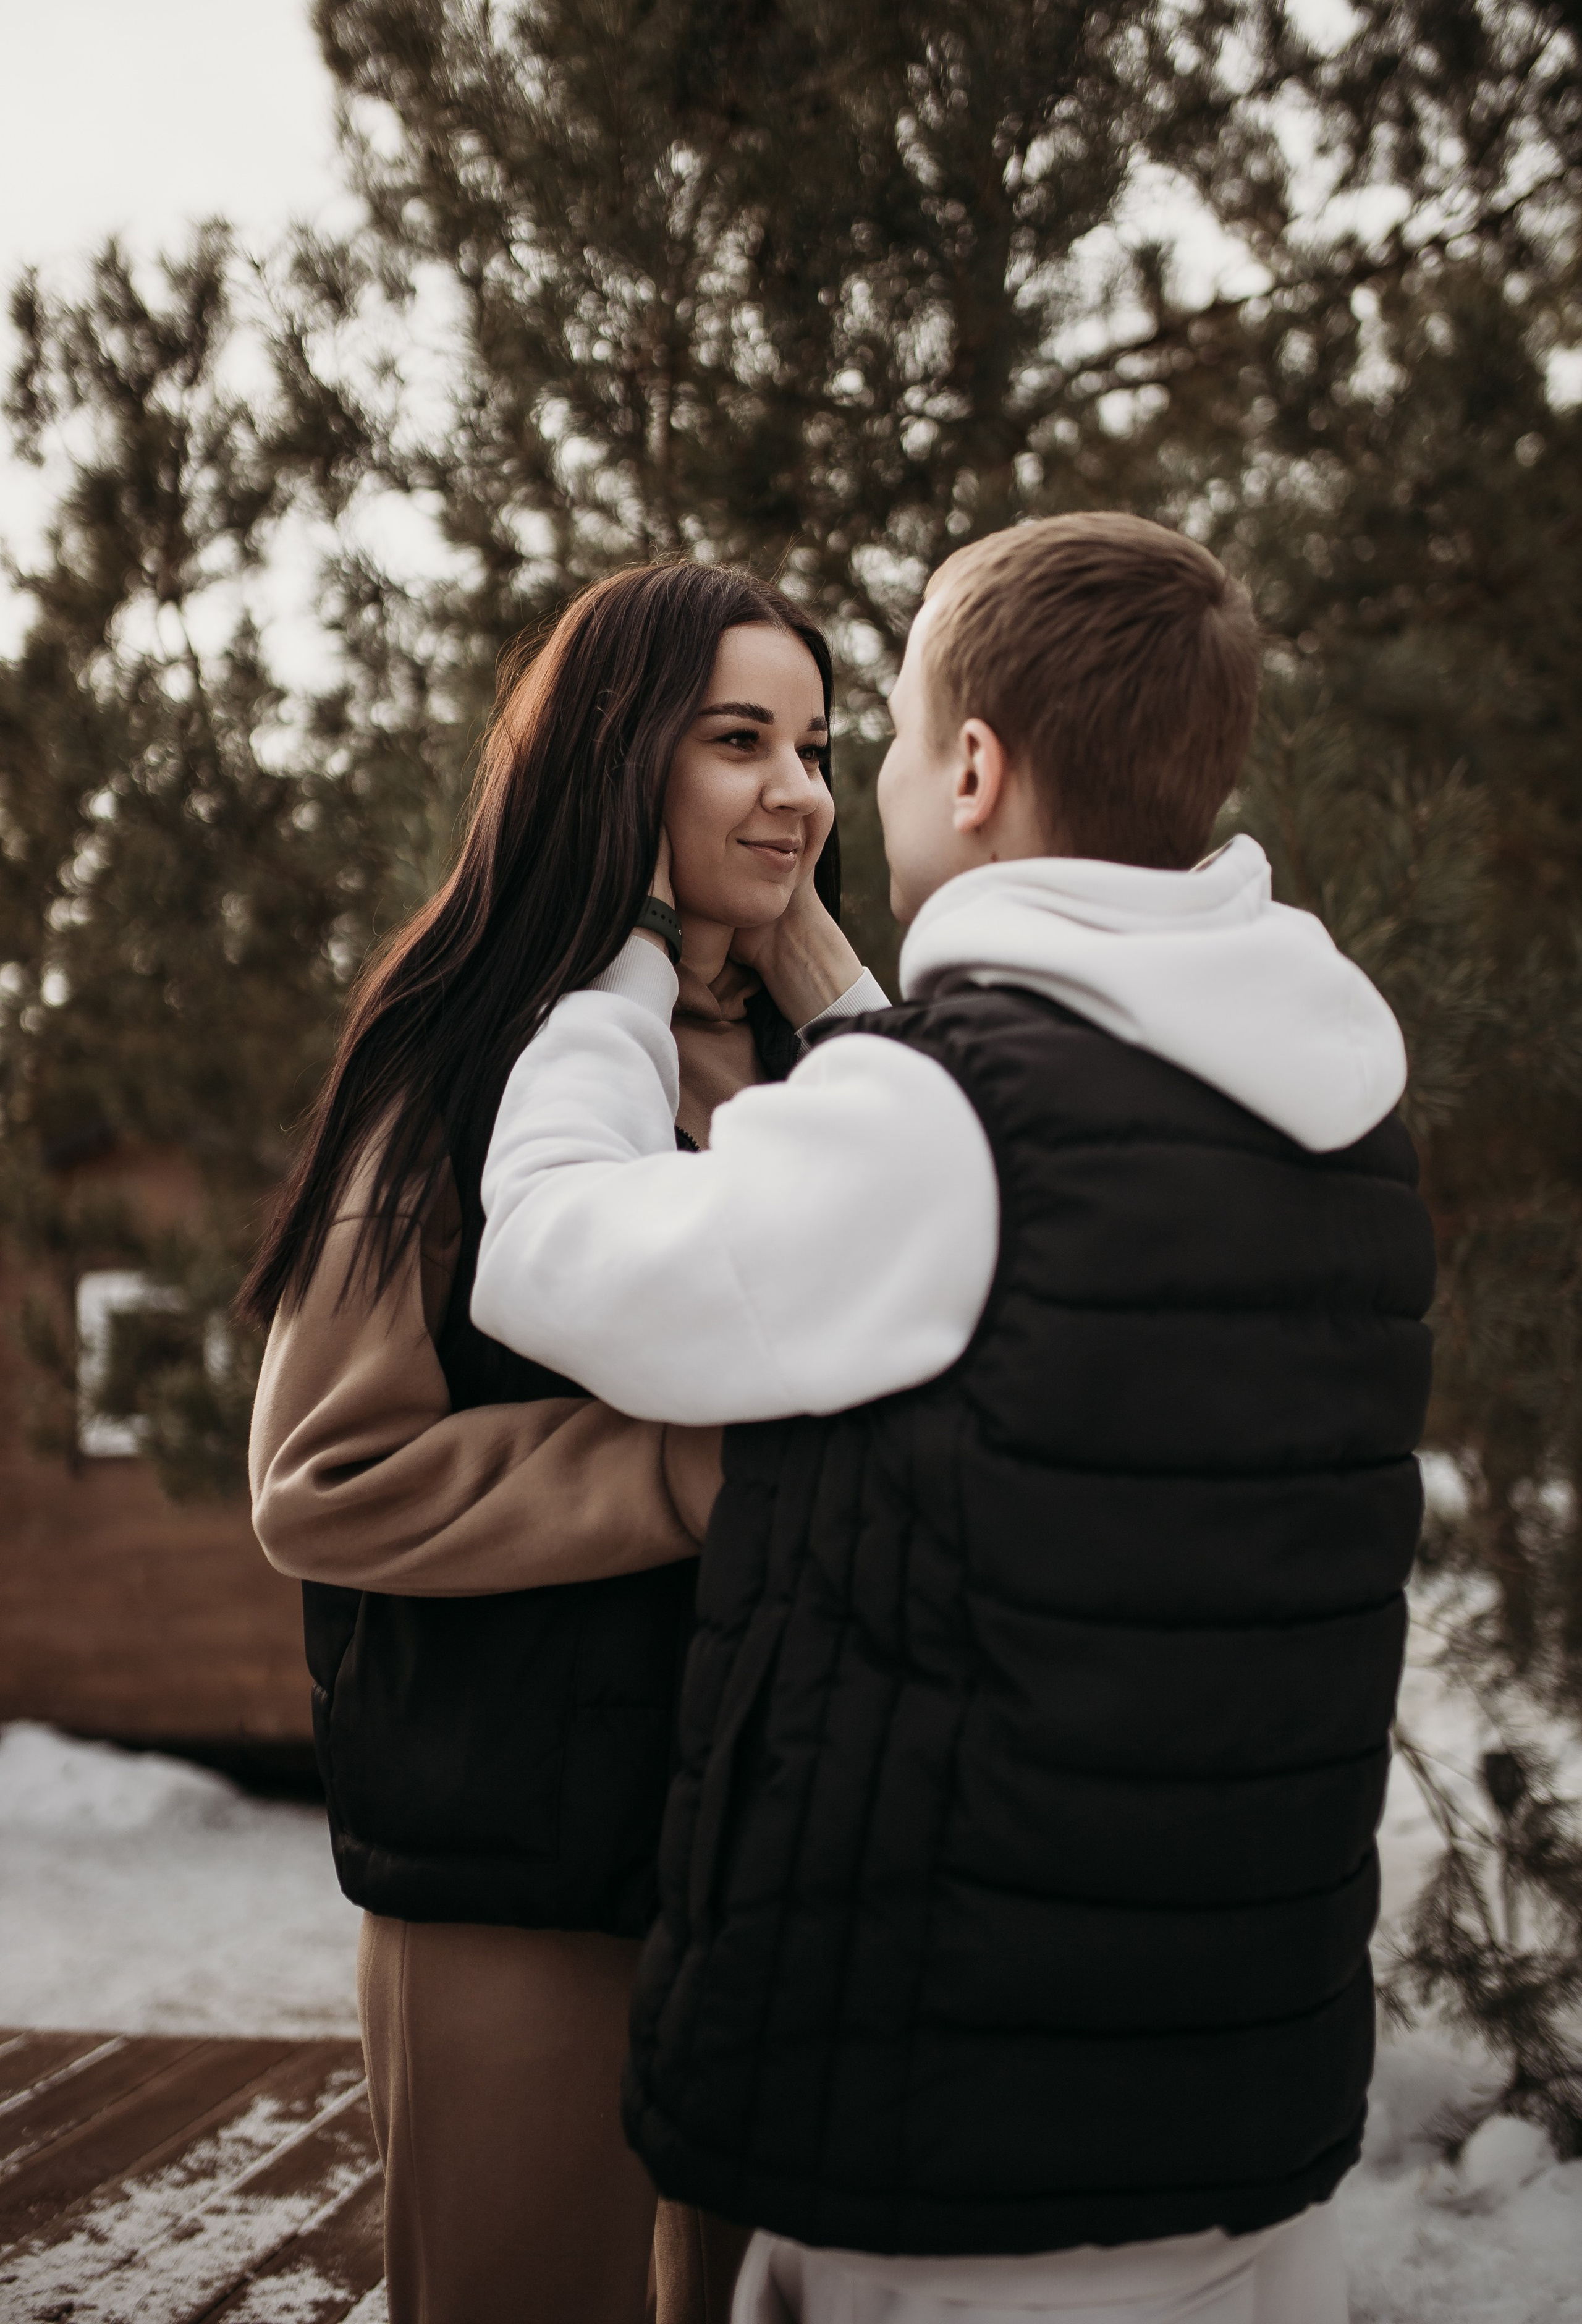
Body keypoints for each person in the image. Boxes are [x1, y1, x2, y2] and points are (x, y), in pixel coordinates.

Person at [469, 513, 1436, 2323]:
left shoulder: (950, 1125)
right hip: (1239, 2103)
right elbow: (1004, 1253)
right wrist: (852, 1005)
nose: (841, 792)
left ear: (975, 769)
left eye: (881, 737)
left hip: (970, 2143)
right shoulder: (1328, 1102)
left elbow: (552, 1254)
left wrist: (606, 991)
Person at [239, 560, 887, 2324]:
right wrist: (688, 1474)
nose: (799, 790)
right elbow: (324, 1477)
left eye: (818, 748)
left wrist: (819, 961)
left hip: (772, 1861)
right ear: (618, 758)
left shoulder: (823, 1073)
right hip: (512, 1870)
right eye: (737, 739)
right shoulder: (452, 1067)